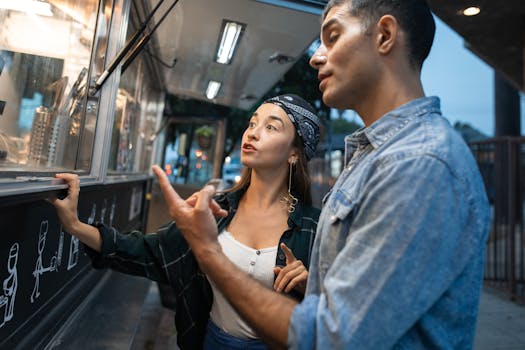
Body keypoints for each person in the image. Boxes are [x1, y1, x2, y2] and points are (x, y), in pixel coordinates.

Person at [149, 0, 492, 349]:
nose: (316, 56)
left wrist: (207, 250)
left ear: (385, 35)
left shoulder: (419, 163)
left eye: (333, 36)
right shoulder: (373, 156)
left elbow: (331, 338)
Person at [50, 94, 322, 350]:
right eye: (252, 123)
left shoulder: (315, 227)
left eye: (271, 127)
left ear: (294, 153)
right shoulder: (216, 210)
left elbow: (342, 319)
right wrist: (75, 225)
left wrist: (310, 286)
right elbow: (148, 252)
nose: (252, 132)